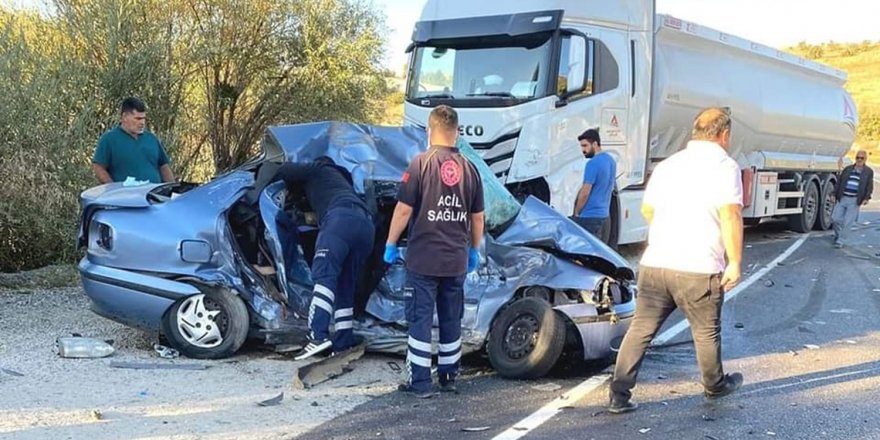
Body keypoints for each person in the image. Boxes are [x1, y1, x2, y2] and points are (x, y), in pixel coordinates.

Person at [608, 107, 744, 414]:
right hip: (699, 266)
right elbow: (730, 214)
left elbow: (648, 210)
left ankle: (619, 394)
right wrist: (734, 261)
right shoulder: (725, 165)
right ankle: (714, 385)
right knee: (706, 331)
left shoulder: (669, 165)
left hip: (656, 263)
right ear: (724, 135)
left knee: (641, 329)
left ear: (695, 131)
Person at [384, 105, 485, 398]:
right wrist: (473, 250)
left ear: (430, 131)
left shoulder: (420, 163)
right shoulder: (471, 169)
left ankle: (420, 383)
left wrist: (391, 243)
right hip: (455, 260)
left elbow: (404, 210)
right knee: (451, 318)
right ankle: (449, 377)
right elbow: (478, 217)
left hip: (423, 259)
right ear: (458, 132)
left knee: (420, 319)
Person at [274, 157, 376, 360]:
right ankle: (343, 342)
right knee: (344, 285)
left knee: (324, 275)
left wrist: (275, 164)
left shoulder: (318, 168)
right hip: (366, 226)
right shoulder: (342, 182)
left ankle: (317, 336)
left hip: (340, 221)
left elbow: (285, 171)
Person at [92, 97, 175, 184]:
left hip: (153, 194)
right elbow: (98, 167)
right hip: (126, 195)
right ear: (124, 117)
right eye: (138, 118)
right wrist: (113, 188)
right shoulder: (109, 139)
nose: (142, 122)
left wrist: (172, 188)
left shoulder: (151, 138)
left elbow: (164, 166)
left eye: (144, 118)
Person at [572, 129, 616, 245]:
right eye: (581, 146)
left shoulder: (592, 164)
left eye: (585, 146)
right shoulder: (611, 160)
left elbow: (585, 192)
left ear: (595, 144)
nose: (583, 150)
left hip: (589, 217)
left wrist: (577, 211)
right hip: (605, 215)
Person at [832, 150, 873, 248]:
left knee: (847, 222)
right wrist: (834, 194)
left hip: (854, 200)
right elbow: (839, 182)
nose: (859, 160)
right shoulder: (848, 169)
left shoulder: (868, 172)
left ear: (865, 159)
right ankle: (838, 235)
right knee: (835, 219)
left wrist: (866, 198)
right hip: (843, 198)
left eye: (861, 158)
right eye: (857, 157)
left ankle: (840, 241)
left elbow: (869, 186)